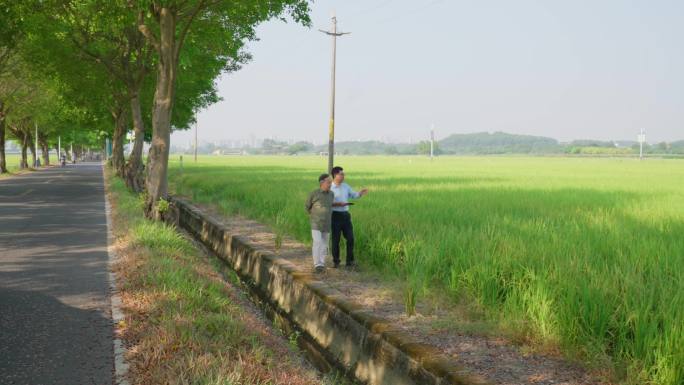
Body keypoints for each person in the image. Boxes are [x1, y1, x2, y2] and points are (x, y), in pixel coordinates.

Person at [330, 166, 368, 268]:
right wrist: (338, 204)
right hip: (335, 216)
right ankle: (336, 261)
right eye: (341, 174)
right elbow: (326, 203)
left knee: (350, 238)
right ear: (335, 175)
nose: (343, 176)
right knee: (336, 239)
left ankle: (349, 262)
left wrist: (360, 193)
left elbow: (353, 195)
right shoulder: (330, 188)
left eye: (343, 174)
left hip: (346, 216)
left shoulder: (346, 186)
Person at [305, 173, 334, 273]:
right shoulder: (314, 193)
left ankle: (321, 263)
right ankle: (317, 264)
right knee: (317, 242)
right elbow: (307, 206)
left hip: (327, 223)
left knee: (325, 244)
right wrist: (314, 216)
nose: (330, 184)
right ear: (322, 183)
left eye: (331, 182)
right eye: (328, 182)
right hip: (316, 223)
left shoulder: (331, 194)